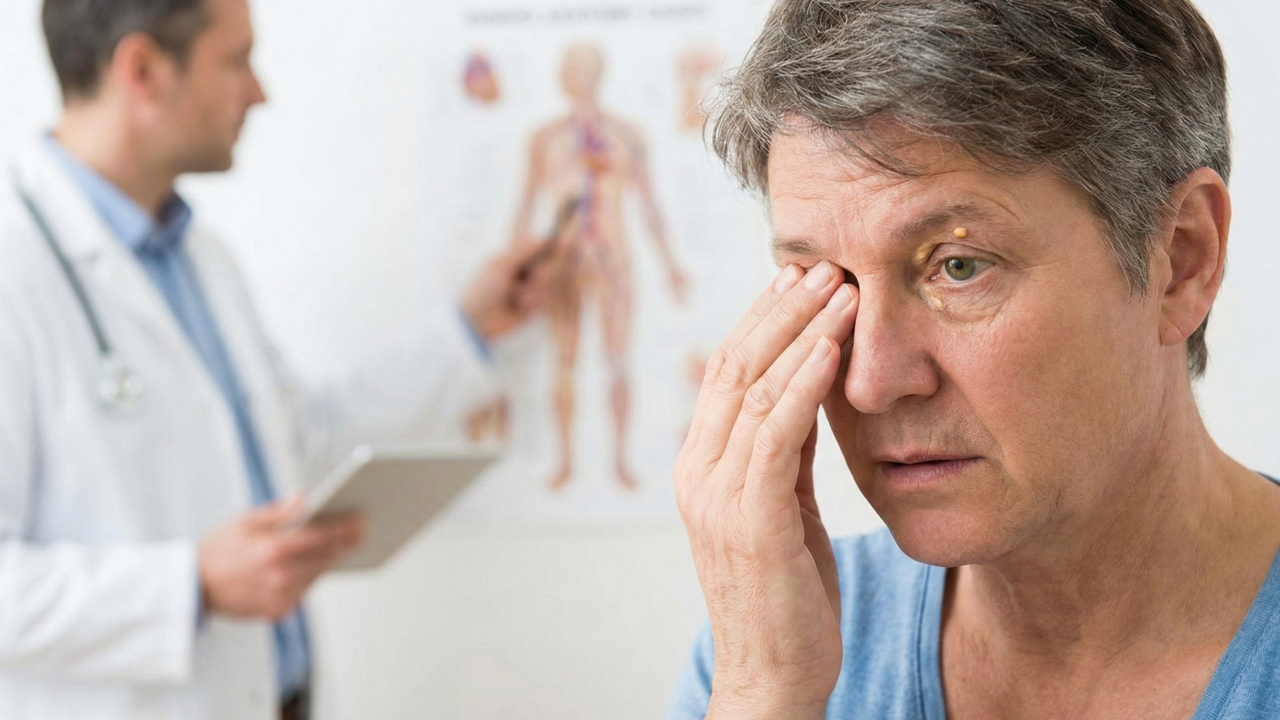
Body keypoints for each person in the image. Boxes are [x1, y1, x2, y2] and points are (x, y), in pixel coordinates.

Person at [669, 0, 1280, 718]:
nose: (870, 383)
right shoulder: (777, 643)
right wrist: (763, 693)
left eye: (958, 266)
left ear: (1180, 260)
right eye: (829, 283)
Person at [0, 0, 549, 718]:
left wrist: (470, 331)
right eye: (235, 61)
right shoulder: (15, 270)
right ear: (142, 70)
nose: (260, 92)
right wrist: (189, 586)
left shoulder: (202, 260)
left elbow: (299, 441)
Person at [511, 43, 689, 491]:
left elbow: (649, 206)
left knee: (617, 360)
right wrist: (518, 271)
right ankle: (565, 462)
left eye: (583, 67)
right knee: (564, 361)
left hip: (613, 261)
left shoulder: (627, 137)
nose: (575, 75)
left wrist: (671, 265)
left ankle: (620, 461)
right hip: (564, 262)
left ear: (598, 73)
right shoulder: (544, 139)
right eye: (569, 67)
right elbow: (525, 207)